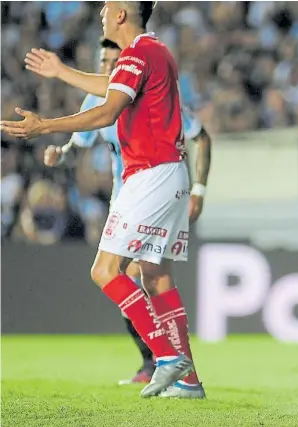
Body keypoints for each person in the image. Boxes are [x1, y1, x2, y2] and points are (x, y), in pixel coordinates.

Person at [1, 1, 203, 399]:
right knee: (156, 275)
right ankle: (188, 381)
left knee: (105, 270)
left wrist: (45, 126)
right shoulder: (155, 51)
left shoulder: (137, 53)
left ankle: (166, 357)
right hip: (171, 173)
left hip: (149, 174)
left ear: (122, 15)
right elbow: (110, 90)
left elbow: (107, 111)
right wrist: (60, 71)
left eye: (107, 7)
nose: (102, 13)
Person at [40, 37, 212, 387]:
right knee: (148, 279)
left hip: (152, 195)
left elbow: (200, 137)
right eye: (103, 60)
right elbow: (79, 144)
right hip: (125, 199)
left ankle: (162, 359)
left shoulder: (153, 95)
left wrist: (200, 188)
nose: (107, 66)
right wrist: (61, 151)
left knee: (119, 274)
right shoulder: (96, 99)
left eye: (113, 60)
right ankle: (179, 373)